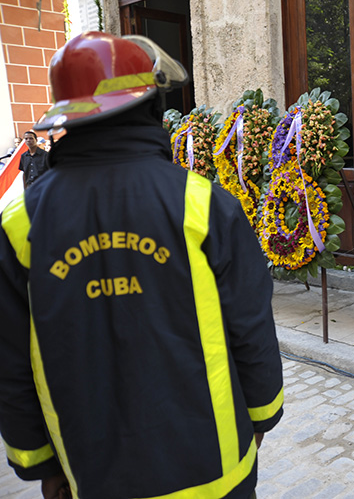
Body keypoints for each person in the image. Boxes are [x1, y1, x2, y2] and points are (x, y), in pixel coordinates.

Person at [0, 31, 284, 498]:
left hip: (93, 477)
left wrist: (41, 466)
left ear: (70, 115)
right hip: (215, 473)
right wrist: (261, 418)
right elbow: (251, 327)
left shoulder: (20, 224)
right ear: (149, 106)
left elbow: (12, 363)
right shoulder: (203, 205)